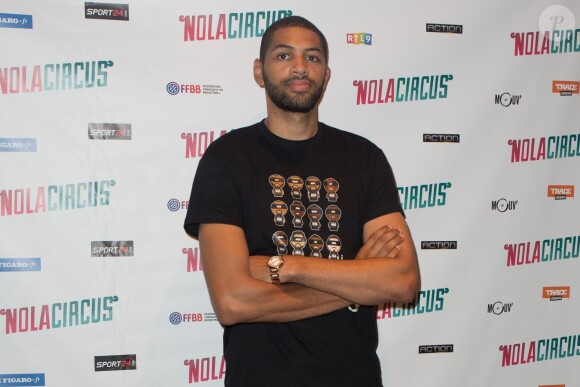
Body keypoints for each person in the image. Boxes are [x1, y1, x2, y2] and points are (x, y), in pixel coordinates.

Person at [184, 15, 420, 387]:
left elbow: (402, 281)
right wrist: (354, 282)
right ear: (259, 72)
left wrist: (285, 267)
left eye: (312, 58)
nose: (299, 66)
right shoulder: (226, 158)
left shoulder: (364, 158)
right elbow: (233, 302)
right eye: (283, 56)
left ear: (326, 76)